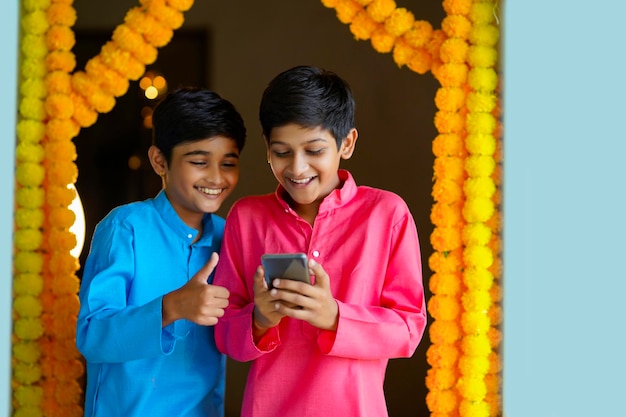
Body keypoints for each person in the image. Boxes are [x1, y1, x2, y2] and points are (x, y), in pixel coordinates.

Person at [213, 66, 427, 417]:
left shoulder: (387, 214)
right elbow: (223, 333)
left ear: (347, 143)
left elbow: (408, 330)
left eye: (314, 150)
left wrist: (334, 315)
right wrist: (260, 319)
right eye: (282, 152)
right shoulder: (246, 217)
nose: (298, 168)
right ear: (267, 147)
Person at [76, 87, 246, 417]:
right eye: (199, 161)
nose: (216, 177)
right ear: (159, 161)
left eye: (228, 163)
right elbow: (91, 335)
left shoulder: (230, 236)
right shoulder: (125, 228)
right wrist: (171, 307)